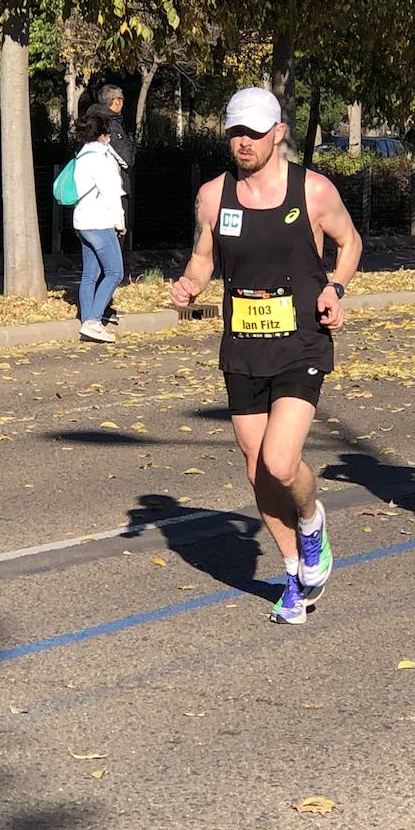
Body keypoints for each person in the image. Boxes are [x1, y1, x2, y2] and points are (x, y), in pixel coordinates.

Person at [171, 87, 362, 624]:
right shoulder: (214, 196)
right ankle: (294, 578)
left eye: (254, 133)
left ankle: (311, 522)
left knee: (281, 461)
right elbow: (203, 259)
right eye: (236, 132)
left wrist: (336, 289)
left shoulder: (314, 190)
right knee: (257, 469)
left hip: (301, 343)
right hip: (242, 346)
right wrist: (189, 286)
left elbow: (350, 244)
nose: (244, 143)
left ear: (279, 132)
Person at [71, 112, 127, 343]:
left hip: (82, 222)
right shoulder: (102, 159)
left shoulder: (81, 157)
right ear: (104, 135)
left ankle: (87, 318)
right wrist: (120, 221)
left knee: (90, 274)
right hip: (100, 222)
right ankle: (93, 321)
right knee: (115, 272)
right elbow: (112, 193)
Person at [86, 85, 134, 325]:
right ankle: (99, 312)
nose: (123, 102)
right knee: (113, 265)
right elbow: (127, 157)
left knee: (92, 267)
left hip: (87, 208)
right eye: (122, 98)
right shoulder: (110, 124)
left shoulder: (91, 122)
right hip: (111, 201)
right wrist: (120, 219)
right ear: (116, 101)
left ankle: (92, 312)